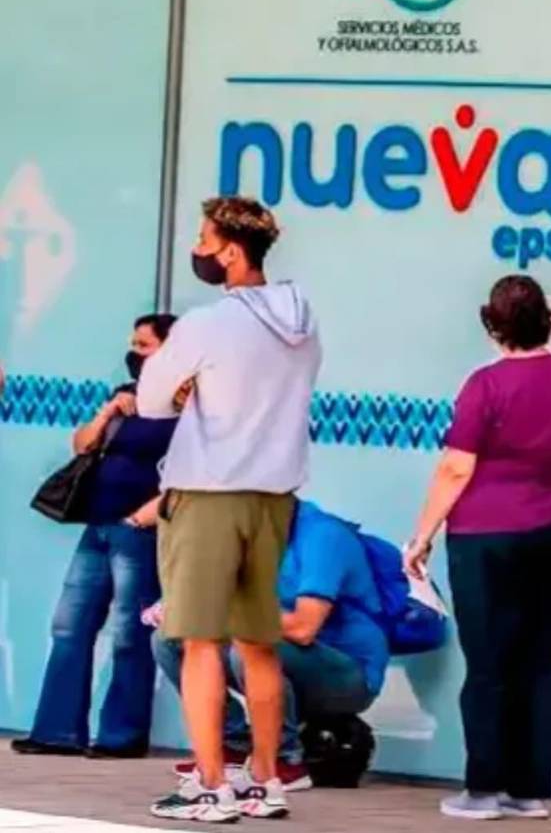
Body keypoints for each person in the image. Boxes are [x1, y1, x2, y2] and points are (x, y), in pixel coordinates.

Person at [403, 275, 551, 821]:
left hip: (486, 535)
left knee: (490, 661)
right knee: (543, 661)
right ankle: (529, 792)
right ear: (547, 321)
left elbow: (456, 467)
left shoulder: (485, 384)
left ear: (494, 325)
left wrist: (422, 535)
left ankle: (482, 790)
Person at [137, 196, 322, 824]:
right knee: (259, 643)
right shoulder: (302, 319)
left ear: (231, 252)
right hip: (274, 496)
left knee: (200, 643)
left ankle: (212, 786)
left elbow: (151, 398)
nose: (199, 250)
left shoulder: (208, 323)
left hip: (208, 494)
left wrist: (188, 387)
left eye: (204, 239)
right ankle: (266, 781)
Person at [13, 314, 179, 759]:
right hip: (98, 524)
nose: (135, 352)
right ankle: (57, 730)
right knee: (70, 624)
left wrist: (148, 516)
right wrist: (109, 411)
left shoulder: (187, 407)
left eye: (144, 345)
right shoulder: (126, 397)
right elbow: (83, 445)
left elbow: (193, 470)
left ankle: (121, 736)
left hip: (137, 531)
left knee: (129, 631)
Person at [155, 497, 389, 791]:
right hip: (286, 651)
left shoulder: (323, 537)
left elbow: (305, 627)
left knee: (250, 643)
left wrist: (221, 615)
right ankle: (233, 745)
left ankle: (284, 758)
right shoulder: (249, 533)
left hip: (348, 674)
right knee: (170, 638)